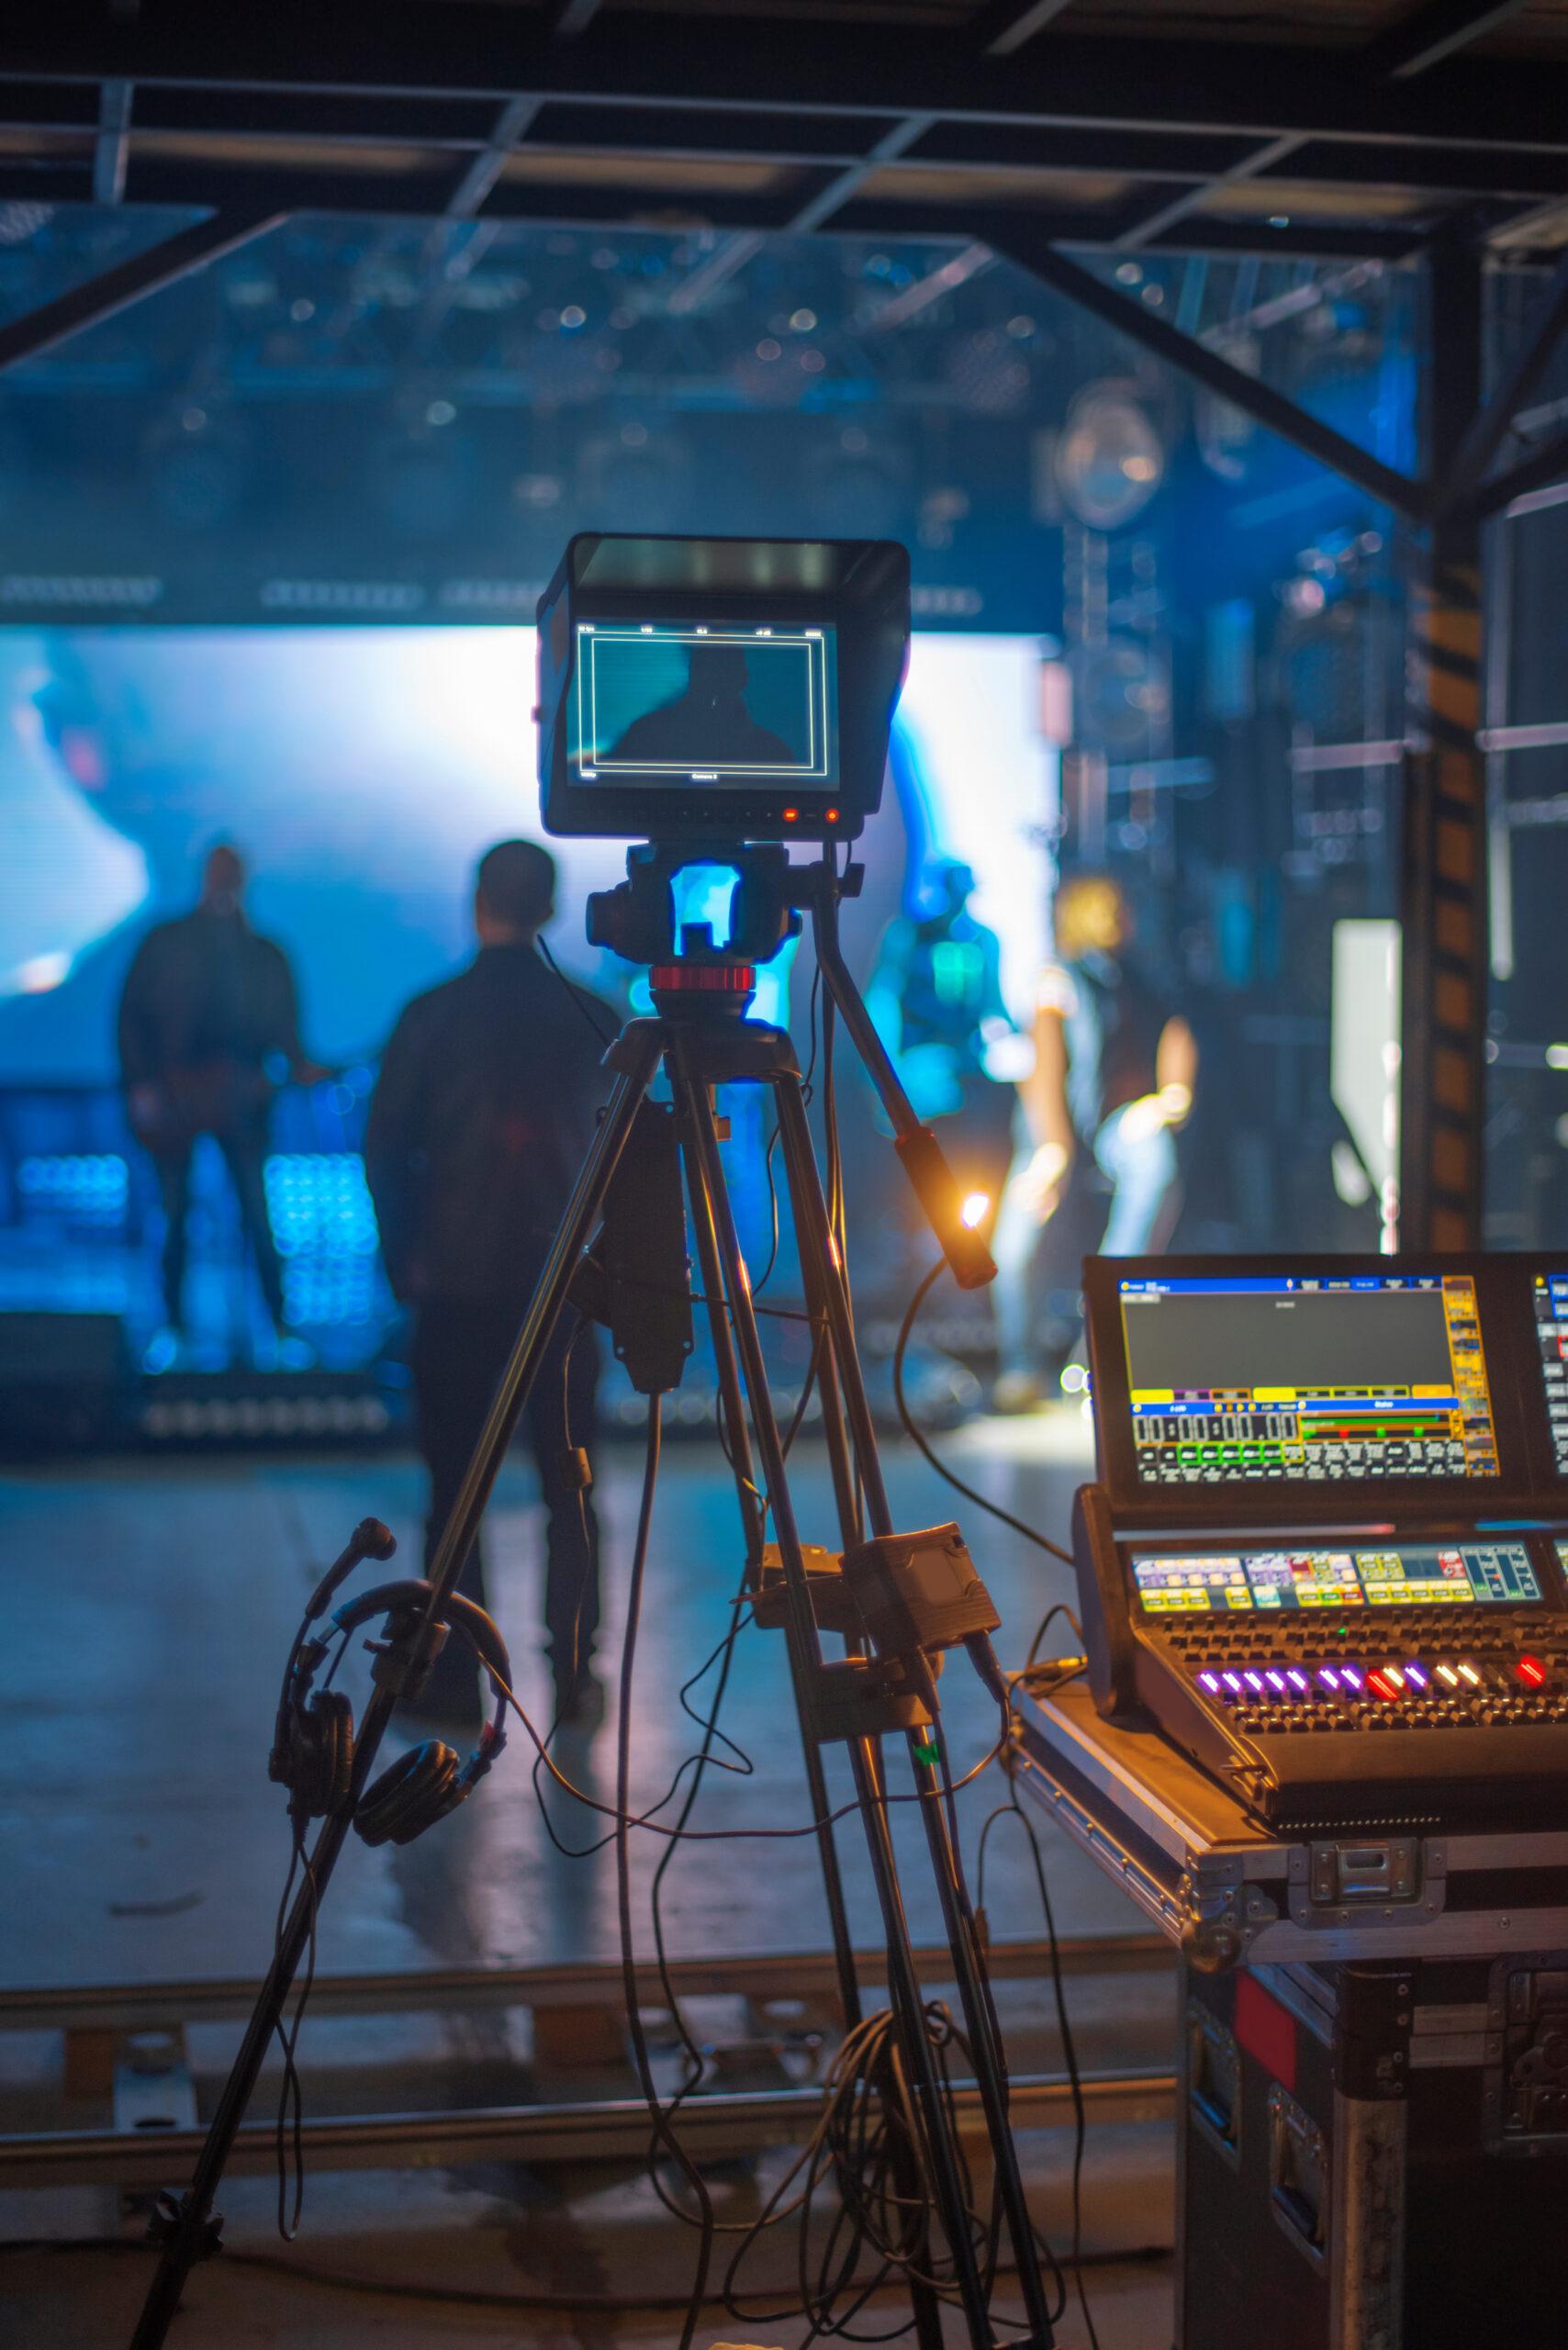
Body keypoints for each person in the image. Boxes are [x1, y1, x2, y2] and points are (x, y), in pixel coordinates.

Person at [364, 841, 615, 1729]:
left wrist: (408, 1260)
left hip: (456, 1286)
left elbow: (385, 1146)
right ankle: (574, 1678)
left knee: (454, 1498)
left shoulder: (432, 1015)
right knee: (570, 1493)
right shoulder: (596, 1019)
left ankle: (452, 1679)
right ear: (549, 908)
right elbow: (629, 1167)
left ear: (478, 904)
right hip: (562, 1296)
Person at [991, 871, 1197, 1411]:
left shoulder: (1136, 981)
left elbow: (1175, 1030)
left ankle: (1095, 1354)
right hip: (1050, 1130)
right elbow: (1045, 1066)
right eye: (1108, 910)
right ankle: (1020, 1365)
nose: (1119, 921)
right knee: (1013, 1247)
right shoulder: (1058, 980)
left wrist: (1170, 1098)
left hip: (1114, 1127)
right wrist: (1053, 1149)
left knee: (1156, 1163)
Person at [118, 843, 322, 1358]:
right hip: (174, 1104)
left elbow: (287, 1033)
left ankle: (279, 1328)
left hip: (243, 1105)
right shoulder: (166, 944)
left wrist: (297, 1066)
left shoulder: (263, 954)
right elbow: (131, 1018)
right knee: (175, 1214)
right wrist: (142, 1086)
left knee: (257, 1213)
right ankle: (172, 1330)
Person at [608, 642, 795, 770]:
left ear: (742, 678)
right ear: (692, 676)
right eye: (705, 670)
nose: (713, 680)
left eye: (723, 671)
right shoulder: (645, 734)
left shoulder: (772, 751)